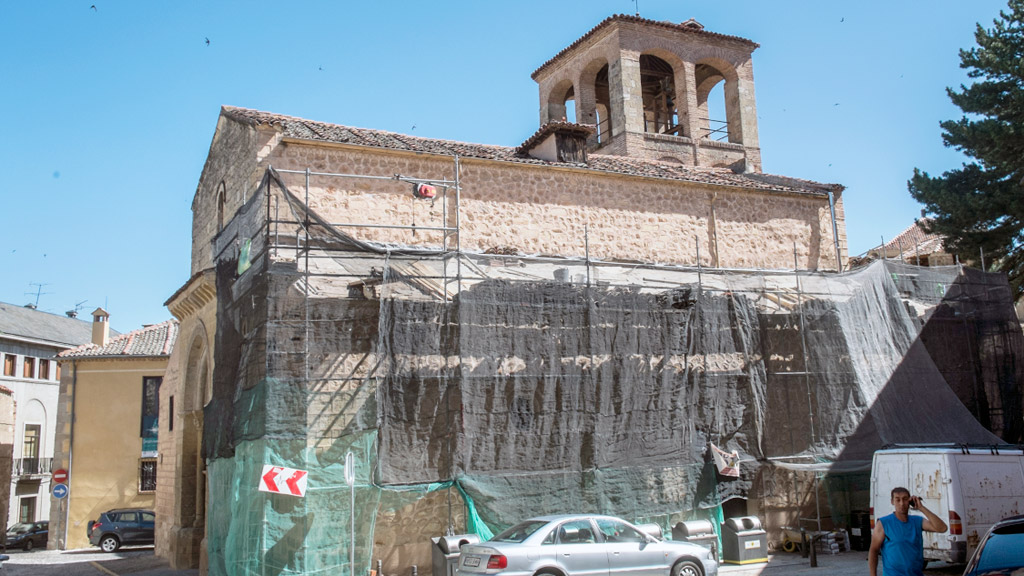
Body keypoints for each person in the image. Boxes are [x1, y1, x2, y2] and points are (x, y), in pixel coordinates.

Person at [868, 487, 948, 576]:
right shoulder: (884, 523)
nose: (902, 503)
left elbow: (942, 528)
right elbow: (873, 550)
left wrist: (921, 508)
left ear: (910, 501)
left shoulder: (917, 521)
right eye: (897, 500)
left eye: (905, 499)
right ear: (892, 501)